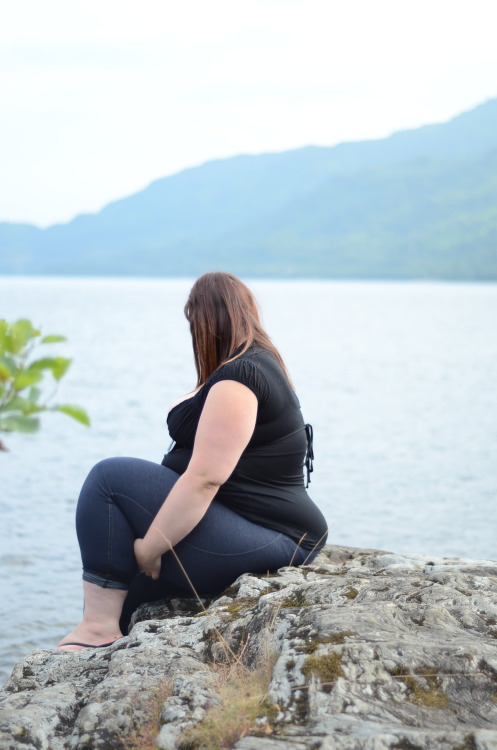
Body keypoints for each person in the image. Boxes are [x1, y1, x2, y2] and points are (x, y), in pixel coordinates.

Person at [57, 272, 328, 650]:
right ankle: (106, 627)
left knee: (109, 478)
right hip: (256, 529)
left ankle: (96, 627)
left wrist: (150, 547)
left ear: (202, 320)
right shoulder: (254, 366)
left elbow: (205, 478)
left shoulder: (240, 378)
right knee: (130, 599)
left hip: (279, 538)